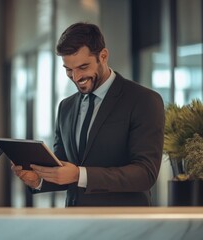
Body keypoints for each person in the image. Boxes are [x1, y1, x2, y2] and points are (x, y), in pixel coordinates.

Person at [12, 22, 165, 207]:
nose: (76, 78)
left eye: (83, 67)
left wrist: (80, 174)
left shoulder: (143, 100)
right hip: (76, 224)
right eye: (69, 69)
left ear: (103, 56)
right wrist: (39, 180)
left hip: (123, 226)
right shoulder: (65, 107)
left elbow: (145, 173)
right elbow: (64, 168)